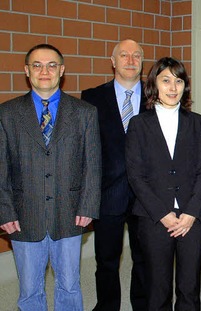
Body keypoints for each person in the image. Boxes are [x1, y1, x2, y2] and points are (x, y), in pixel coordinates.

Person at [0, 43, 101, 310]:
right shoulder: (6, 114)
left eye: (52, 65)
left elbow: (92, 163)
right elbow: (1, 167)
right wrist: (5, 210)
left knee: (69, 286)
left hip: (70, 214)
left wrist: (88, 205)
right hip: (22, 216)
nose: (45, 71)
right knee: (30, 291)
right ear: (27, 71)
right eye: (37, 65)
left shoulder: (85, 113)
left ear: (62, 70)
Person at [125, 57, 201, 310]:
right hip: (154, 218)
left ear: (185, 86)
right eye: (166, 80)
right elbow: (136, 176)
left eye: (178, 81)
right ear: (154, 84)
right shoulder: (138, 124)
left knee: (189, 289)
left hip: (192, 218)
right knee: (157, 289)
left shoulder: (196, 122)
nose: (173, 87)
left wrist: (190, 213)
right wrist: (163, 213)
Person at [81, 38, 147, 311]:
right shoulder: (92, 98)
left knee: (145, 257)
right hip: (108, 192)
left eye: (136, 55)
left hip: (147, 195)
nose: (130, 60)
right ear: (113, 61)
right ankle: (107, 306)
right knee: (106, 259)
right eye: (124, 55)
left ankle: (143, 305)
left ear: (142, 61)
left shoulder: (159, 96)